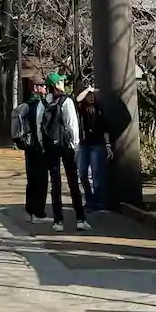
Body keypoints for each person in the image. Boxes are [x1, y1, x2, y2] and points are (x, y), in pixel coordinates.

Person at [41, 73, 90, 232]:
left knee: (55, 183)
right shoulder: (66, 101)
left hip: (51, 146)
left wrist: (44, 145)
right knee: (73, 181)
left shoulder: (44, 102)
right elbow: (72, 125)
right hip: (66, 146)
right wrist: (75, 146)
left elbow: (40, 126)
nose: (63, 82)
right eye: (61, 81)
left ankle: (58, 221)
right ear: (56, 84)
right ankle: (80, 219)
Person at [11, 79, 49, 222]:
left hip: (29, 145)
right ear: (36, 88)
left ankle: (31, 210)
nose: (45, 88)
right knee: (41, 179)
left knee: (32, 179)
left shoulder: (27, 104)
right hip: (39, 146)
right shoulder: (39, 105)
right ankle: (38, 212)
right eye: (43, 86)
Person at [76, 84, 113, 215]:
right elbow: (77, 99)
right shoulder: (80, 109)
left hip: (97, 144)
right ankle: (89, 199)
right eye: (88, 95)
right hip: (84, 144)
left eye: (92, 95)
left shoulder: (100, 109)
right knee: (82, 172)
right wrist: (88, 89)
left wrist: (108, 145)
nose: (91, 97)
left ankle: (97, 201)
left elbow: (106, 128)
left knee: (96, 174)